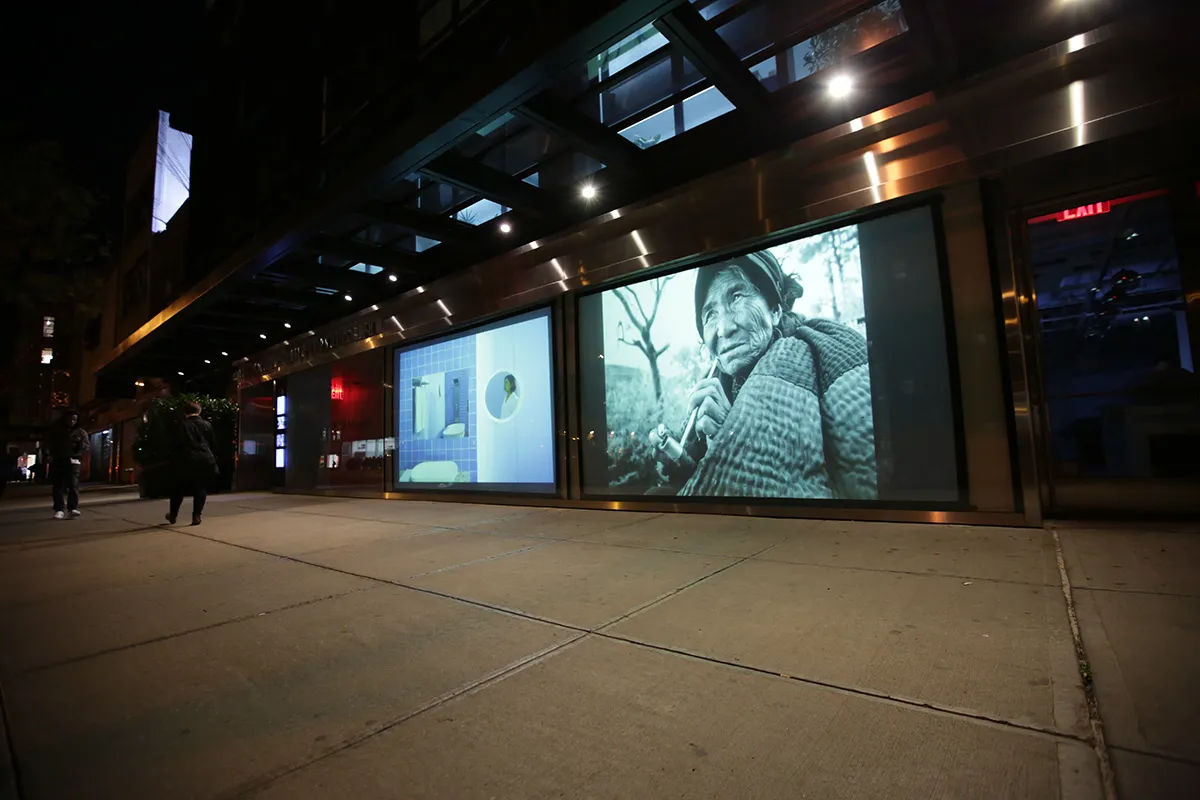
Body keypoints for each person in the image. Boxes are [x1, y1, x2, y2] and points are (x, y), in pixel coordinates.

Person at [658, 250, 877, 499]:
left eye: (737, 297)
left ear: (774, 310)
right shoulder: (712, 389)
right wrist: (684, 463)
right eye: (710, 314)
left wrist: (732, 438)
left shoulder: (825, 350)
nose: (724, 329)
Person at [165, 401, 218, 526]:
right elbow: (213, 443)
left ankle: (173, 514)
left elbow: (176, 445)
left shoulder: (182, 426)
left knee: (178, 488)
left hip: (186, 460)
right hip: (205, 459)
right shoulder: (207, 425)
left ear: (185, 413)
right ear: (199, 411)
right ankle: (196, 515)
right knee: (200, 487)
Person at [48, 409, 90, 519]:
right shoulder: (57, 431)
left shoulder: (80, 432)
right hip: (59, 459)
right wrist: (50, 454)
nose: (72, 421)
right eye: (70, 419)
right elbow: (49, 444)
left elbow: (86, 446)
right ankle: (59, 509)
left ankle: (72, 508)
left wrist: (79, 446)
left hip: (74, 460)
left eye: (74, 419)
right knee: (58, 485)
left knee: (73, 485)